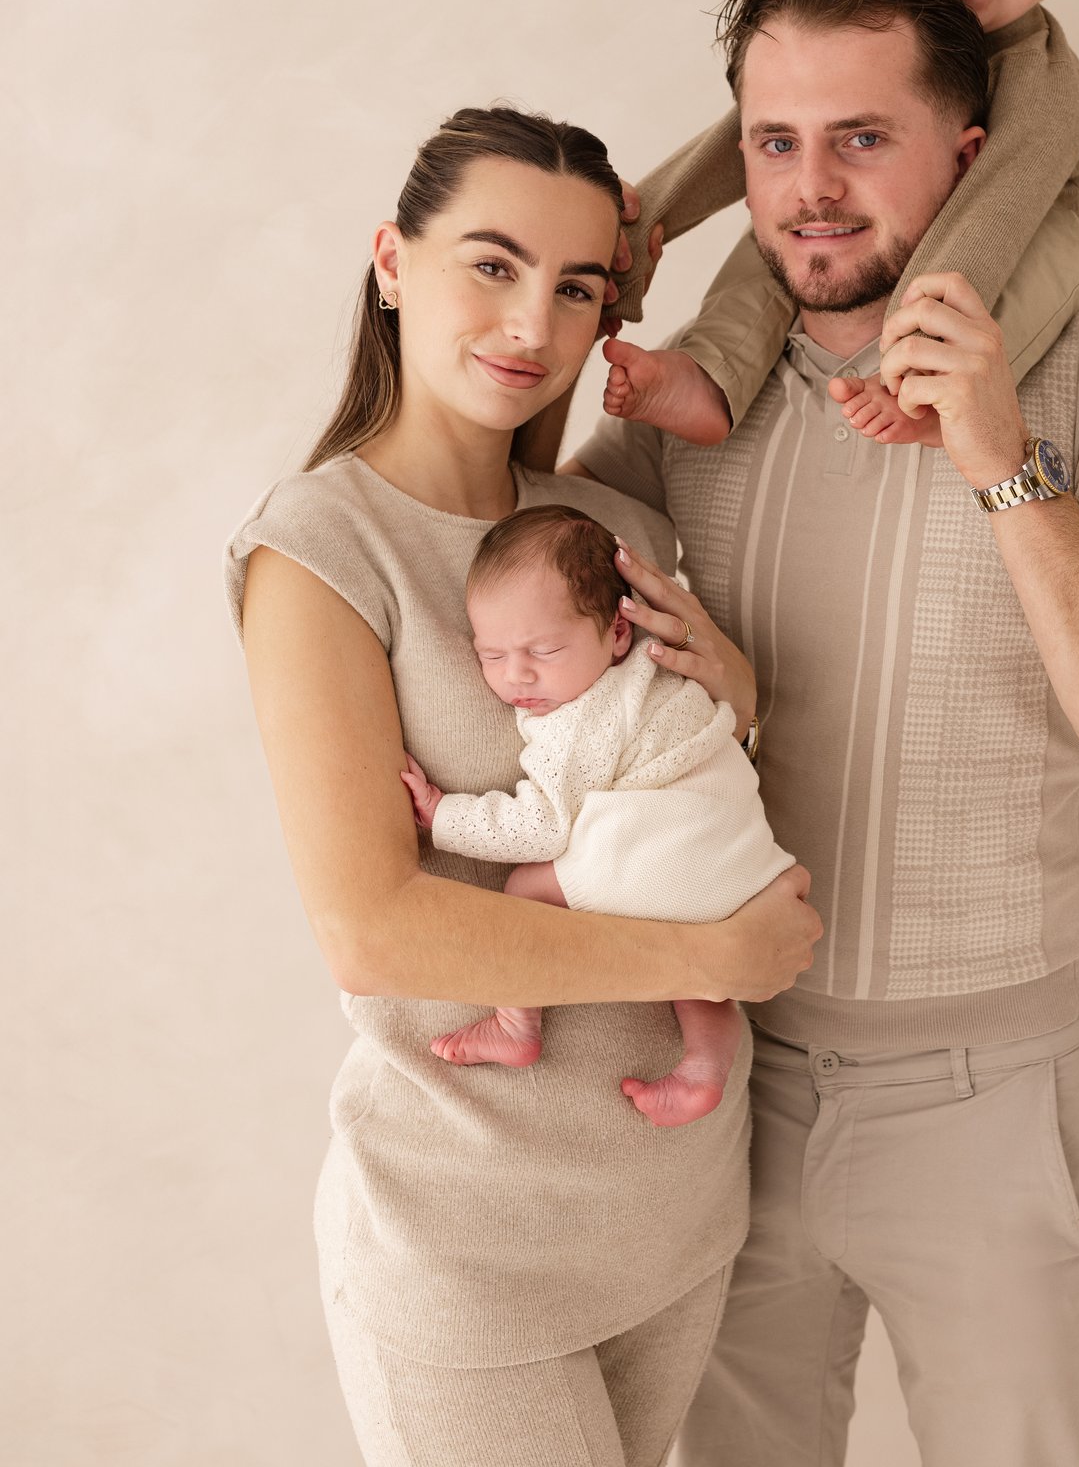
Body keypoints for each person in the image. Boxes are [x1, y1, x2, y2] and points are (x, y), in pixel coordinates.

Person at [569, 0, 1079, 1466]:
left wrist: (1002, 456)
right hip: (721, 1085)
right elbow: (516, 599)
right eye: (774, 140)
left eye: (862, 137)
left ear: (969, 152)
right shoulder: (691, 402)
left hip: (986, 1106)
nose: (810, 187)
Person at [225, 107, 820, 1467]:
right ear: (392, 259)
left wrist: (743, 686)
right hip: (466, 1244)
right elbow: (374, 926)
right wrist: (710, 953)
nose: (531, 321)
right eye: (490, 265)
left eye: (577, 285)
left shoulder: (621, 531)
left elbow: (689, 792)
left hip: (676, 1212)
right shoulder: (321, 546)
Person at [597, 0, 1079, 450]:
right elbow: (750, 138)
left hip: (1026, 226)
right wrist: (637, 223)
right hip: (901, 221)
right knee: (799, 206)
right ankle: (712, 373)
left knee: (1039, 266)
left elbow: (992, 214)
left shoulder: (1048, 83)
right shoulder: (875, 29)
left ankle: (941, 395)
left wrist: (907, 348)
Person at [399, 502, 794, 1127]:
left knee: (526, 889)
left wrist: (444, 815)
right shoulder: (654, 665)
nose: (517, 674)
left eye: (543, 650)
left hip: (673, 843)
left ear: (615, 632)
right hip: (738, 860)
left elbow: (543, 824)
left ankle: (515, 1023)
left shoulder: (579, 721)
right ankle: (704, 1064)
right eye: (491, 656)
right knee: (698, 966)